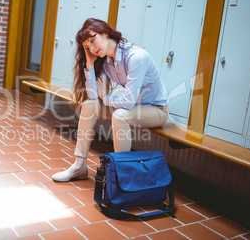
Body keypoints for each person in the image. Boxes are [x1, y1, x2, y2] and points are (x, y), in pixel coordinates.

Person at [52, 18, 169, 182]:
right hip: (133, 107)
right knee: (88, 105)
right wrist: (90, 65)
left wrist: (106, 98)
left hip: (156, 109)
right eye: (87, 47)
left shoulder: (136, 57)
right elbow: (93, 97)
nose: (92, 48)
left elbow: (127, 102)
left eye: (93, 41)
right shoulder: (106, 61)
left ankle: (122, 175)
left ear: (105, 33)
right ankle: (79, 167)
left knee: (120, 115)